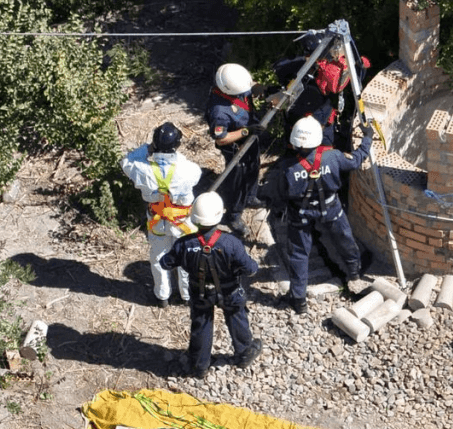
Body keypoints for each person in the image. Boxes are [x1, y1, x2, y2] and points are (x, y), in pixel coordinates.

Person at [267, 116, 374, 313]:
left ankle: (298, 299)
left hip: (301, 214)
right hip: (331, 208)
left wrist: (280, 209)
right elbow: (356, 161)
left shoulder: (286, 168)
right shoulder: (333, 157)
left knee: (299, 253)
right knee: (344, 238)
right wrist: (367, 138)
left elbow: (279, 195)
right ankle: (354, 271)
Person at [159, 192, 263, 378]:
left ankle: (199, 365)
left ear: (194, 218)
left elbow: (166, 263)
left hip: (200, 292)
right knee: (236, 316)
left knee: (201, 323)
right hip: (230, 290)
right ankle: (244, 353)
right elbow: (251, 269)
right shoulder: (232, 243)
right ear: (219, 215)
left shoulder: (184, 244)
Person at [120, 122, 201, 308]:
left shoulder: (140, 168)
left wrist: (147, 149)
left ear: (154, 143)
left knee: (158, 257)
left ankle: (162, 296)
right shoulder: (188, 170)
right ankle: (187, 296)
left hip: (157, 222)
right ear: (177, 146)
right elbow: (197, 175)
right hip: (182, 222)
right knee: (185, 259)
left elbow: (125, 161)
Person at [270, 32, 370, 151]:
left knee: (312, 152)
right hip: (308, 119)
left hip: (315, 119)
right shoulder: (297, 66)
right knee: (309, 151)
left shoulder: (328, 67)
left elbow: (354, 79)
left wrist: (359, 65)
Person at [205, 63, 264, 237]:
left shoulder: (236, 81)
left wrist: (261, 89)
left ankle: (251, 196)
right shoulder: (219, 111)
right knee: (238, 180)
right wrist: (246, 131)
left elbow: (251, 84)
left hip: (250, 137)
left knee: (254, 166)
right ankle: (233, 215)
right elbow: (221, 139)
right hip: (235, 146)